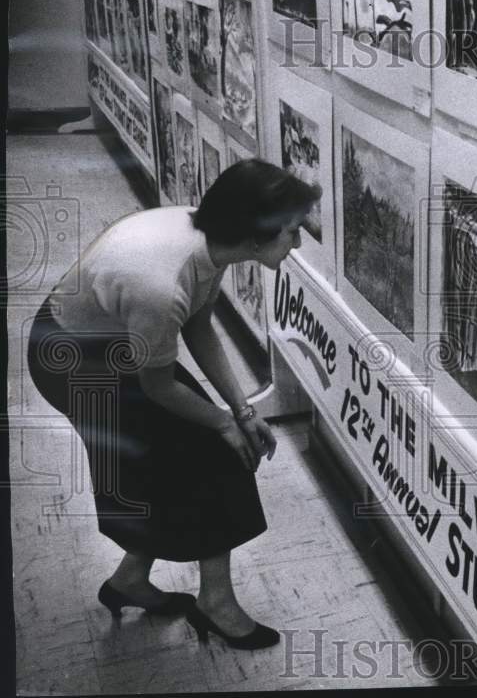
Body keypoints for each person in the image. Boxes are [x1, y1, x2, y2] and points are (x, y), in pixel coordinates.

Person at [27, 159, 321, 650]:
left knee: (185, 458)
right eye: (292, 231)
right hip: (74, 362)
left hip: (113, 341)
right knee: (207, 456)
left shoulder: (209, 243)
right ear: (256, 234)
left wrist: (241, 411)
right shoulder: (160, 285)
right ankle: (215, 603)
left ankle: (130, 583)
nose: (298, 242)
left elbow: (199, 324)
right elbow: (160, 387)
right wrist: (224, 424)